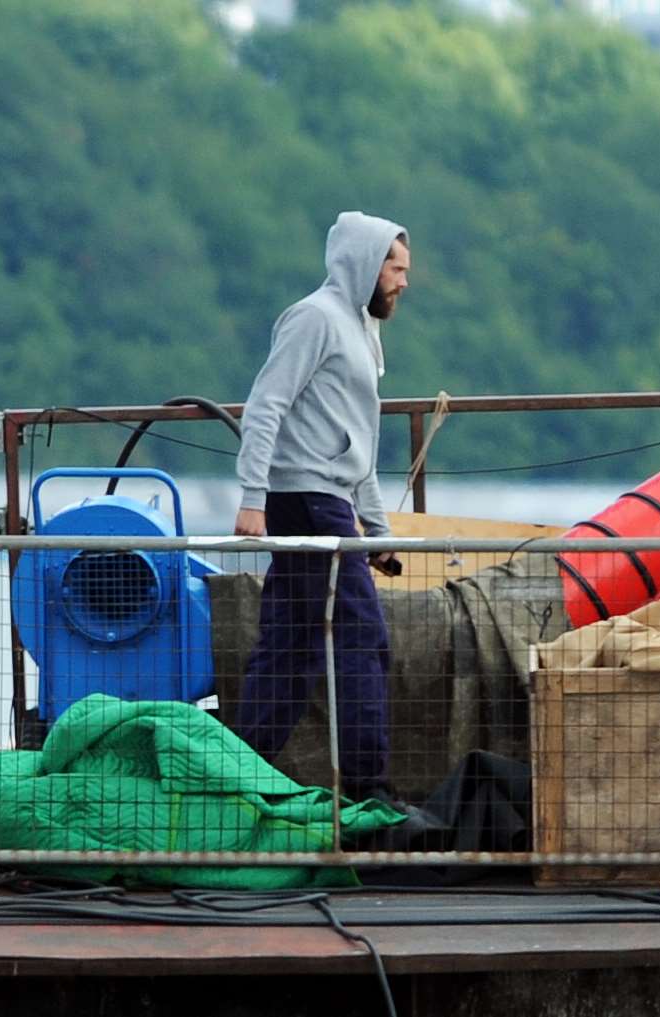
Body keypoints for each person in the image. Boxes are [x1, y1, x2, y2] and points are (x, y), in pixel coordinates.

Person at [232, 210, 410, 804]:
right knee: (361, 640)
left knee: (290, 646)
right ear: (364, 262)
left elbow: (356, 446)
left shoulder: (361, 330)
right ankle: (369, 791)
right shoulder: (315, 319)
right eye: (395, 267)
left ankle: (238, 778)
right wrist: (253, 499)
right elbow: (264, 406)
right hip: (305, 502)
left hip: (326, 500)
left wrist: (377, 532)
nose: (403, 282)